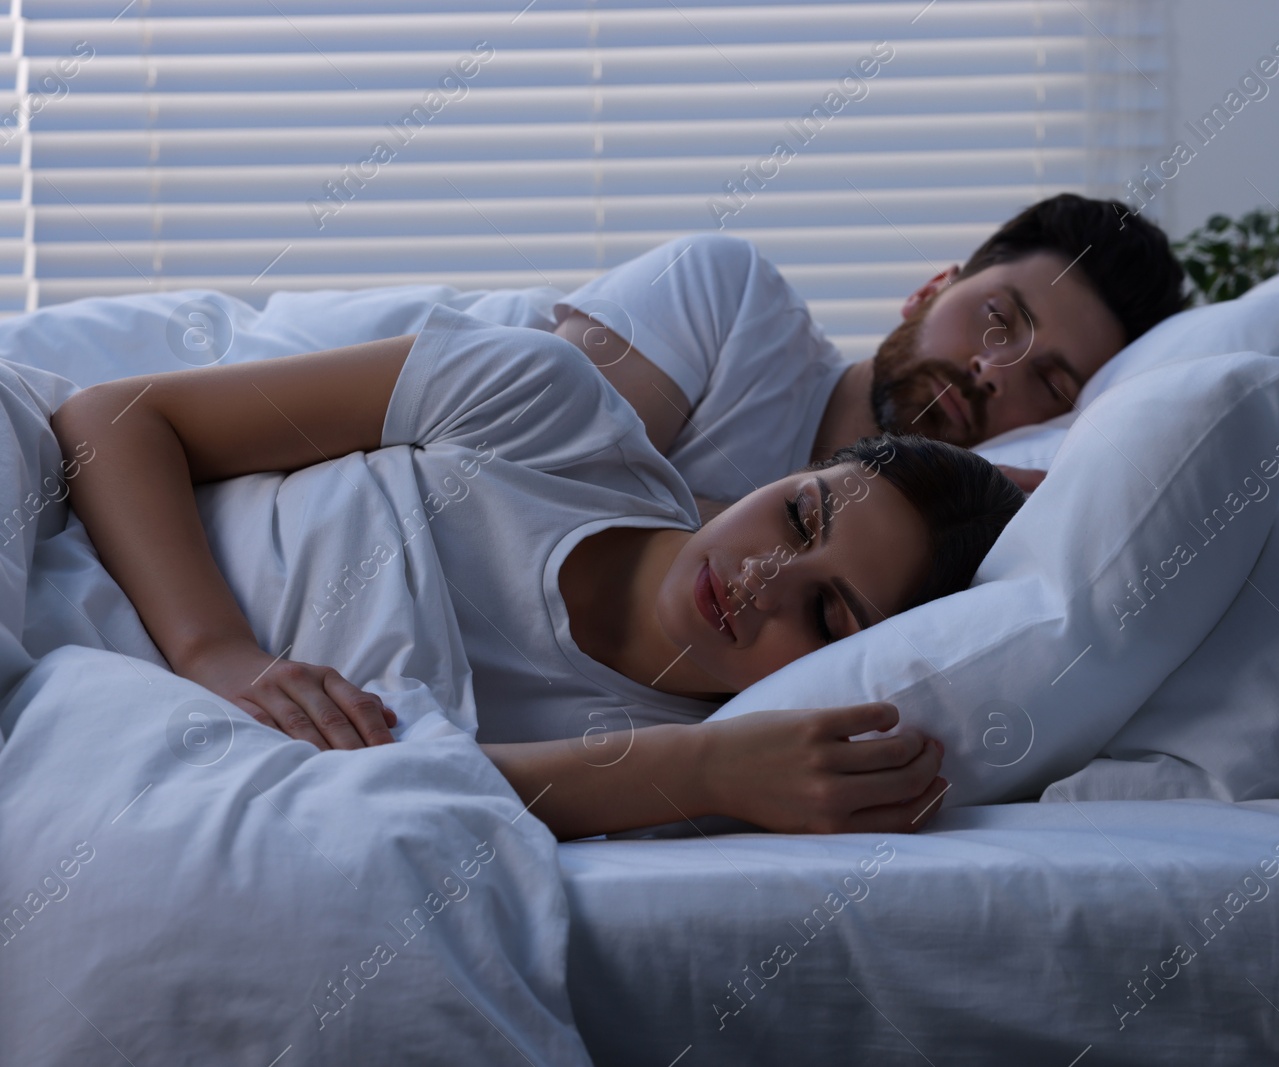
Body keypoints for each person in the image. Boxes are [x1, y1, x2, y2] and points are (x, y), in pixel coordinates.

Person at [50, 305, 1025, 841]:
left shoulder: (688, 759)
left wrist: (703, 773)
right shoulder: (545, 410)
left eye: (827, 616)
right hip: (72, 542)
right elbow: (115, 420)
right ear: (782, 473)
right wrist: (215, 649)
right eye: (798, 516)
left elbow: (392, 800)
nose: (762, 580)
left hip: (106, 728)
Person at [553, 192, 1186, 517]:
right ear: (930, 290)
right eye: (997, 319)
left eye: (1050, 383)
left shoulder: (912, 564)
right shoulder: (729, 295)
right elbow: (526, 481)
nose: (992, 370)